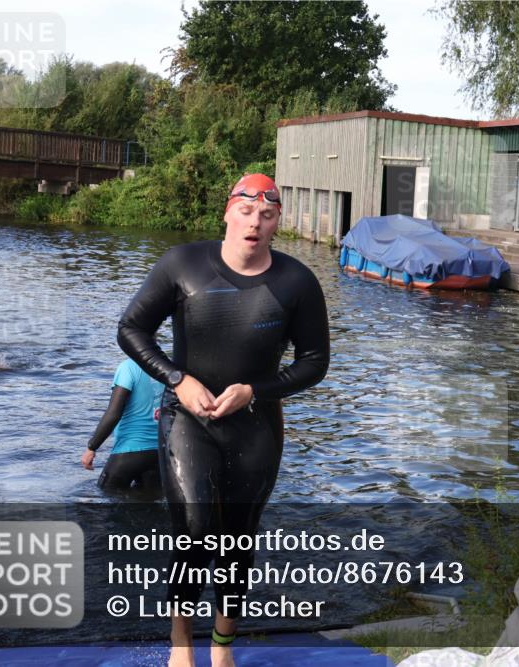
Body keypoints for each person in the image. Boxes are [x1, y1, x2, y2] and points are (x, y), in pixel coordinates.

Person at [117, 173, 329, 667]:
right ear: (228, 213)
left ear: (278, 223)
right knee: (193, 530)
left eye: (267, 215)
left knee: (238, 535)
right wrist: (176, 379)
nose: (255, 222)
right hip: (188, 416)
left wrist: (256, 390)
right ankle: (181, 645)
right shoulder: (183, 263)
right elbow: (131, 329)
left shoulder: (296, 281)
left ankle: (222, 647)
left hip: (255, 421)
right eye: (247, 212)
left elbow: (314, 362)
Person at [81, 358, 164, 493]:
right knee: (148, 504)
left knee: (104, 499)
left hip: (129, 452)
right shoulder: (165, 366)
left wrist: (92, 447)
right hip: (159, 453)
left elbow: (113, 413)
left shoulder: (128, 367)